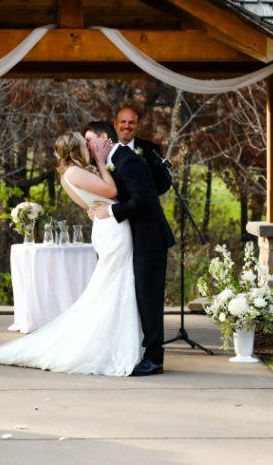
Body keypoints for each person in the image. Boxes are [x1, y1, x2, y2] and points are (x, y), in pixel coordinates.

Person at [0, 131, 143, 376]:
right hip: (112, 230)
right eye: (84, 144)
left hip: (107, 227)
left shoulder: (68, 175)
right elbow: (111, 189)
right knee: (113, 285)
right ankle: (110, 345)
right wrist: (102, 163)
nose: (89, 147)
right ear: (75, 150)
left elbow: (90, 205)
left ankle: (116, 341)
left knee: (113, 285)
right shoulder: (74, 172)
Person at [87, 120, 175, 376]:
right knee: (140, 299)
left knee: (150, 300)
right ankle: (143, 352)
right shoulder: (116, 160)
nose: (88, 146)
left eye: (90, 140)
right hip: (138, 240)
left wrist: (111, 210)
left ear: (105, 139)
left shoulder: (128, 161)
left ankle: (154, 358)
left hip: (150, 239)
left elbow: (144, 201)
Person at [113, 106, 171, 195]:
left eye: (131, 122)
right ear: (115, 124)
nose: (127, 126)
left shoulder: (150, 149)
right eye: (123, 122)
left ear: (137, 125)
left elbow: (164, 182)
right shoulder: (104, 147)